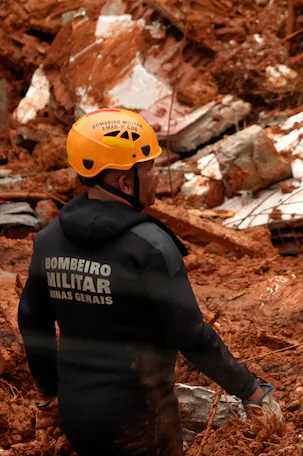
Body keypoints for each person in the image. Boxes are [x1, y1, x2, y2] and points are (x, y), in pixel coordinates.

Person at [17, 109, 284, 456]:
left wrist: (48, 394)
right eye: (149, 168)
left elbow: (31, 318)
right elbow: (191, 334)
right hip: (139, 424)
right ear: (125, 182)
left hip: (77, 415)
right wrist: (250, 390)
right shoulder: (150, 246)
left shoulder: (49, 240)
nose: (156, 176)